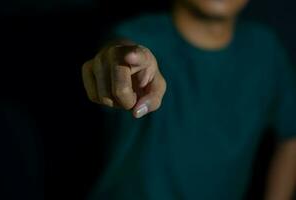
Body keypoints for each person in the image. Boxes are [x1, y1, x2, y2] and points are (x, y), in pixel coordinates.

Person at [82, 0, 296, 199]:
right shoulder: (139, 35)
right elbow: (121, 55)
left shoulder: (265, 50)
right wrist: (118, 66)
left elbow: (291, 133)